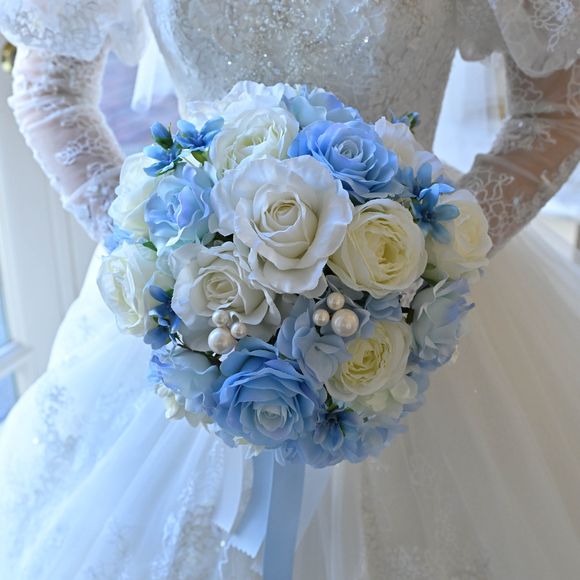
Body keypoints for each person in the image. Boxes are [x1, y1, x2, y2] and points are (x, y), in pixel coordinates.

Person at [0, 1, 579, 578]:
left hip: (407, 298)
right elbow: (51, 91)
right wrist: (155, 258)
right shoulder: (172, 273)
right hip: (198, 306)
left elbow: (554, 108)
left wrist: (435, 262)